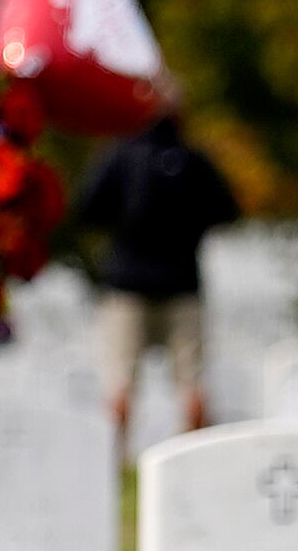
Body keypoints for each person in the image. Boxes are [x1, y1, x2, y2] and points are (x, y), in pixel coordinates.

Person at [71, 107, 240, 449]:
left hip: (127, 284)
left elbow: (86, 207)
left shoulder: (120, 155)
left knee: (120, 382)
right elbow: (228, 209)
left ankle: (115, 460)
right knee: (191, 382)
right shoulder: (193, 159)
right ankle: (195, 456)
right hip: (182, 283)